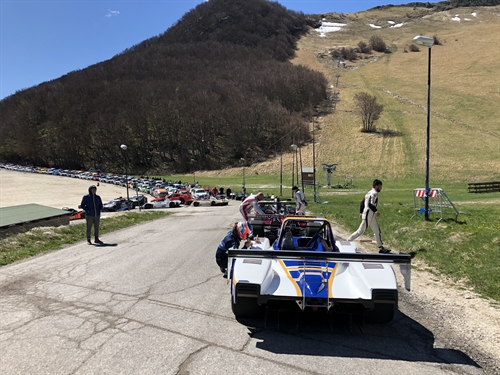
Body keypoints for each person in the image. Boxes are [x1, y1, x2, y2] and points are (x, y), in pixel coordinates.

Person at [347, 179, 388, 253]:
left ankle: (380, 247)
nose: (381, 188)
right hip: (369, 214)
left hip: (370, 215)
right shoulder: (374, 193)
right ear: (376, 186)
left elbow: (362, 202)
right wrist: (376, 211)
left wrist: (360, 212)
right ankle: (348, 241)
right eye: (380, 186)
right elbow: (370, 204)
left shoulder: (368, 193)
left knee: (377, 230)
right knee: (360, 230)